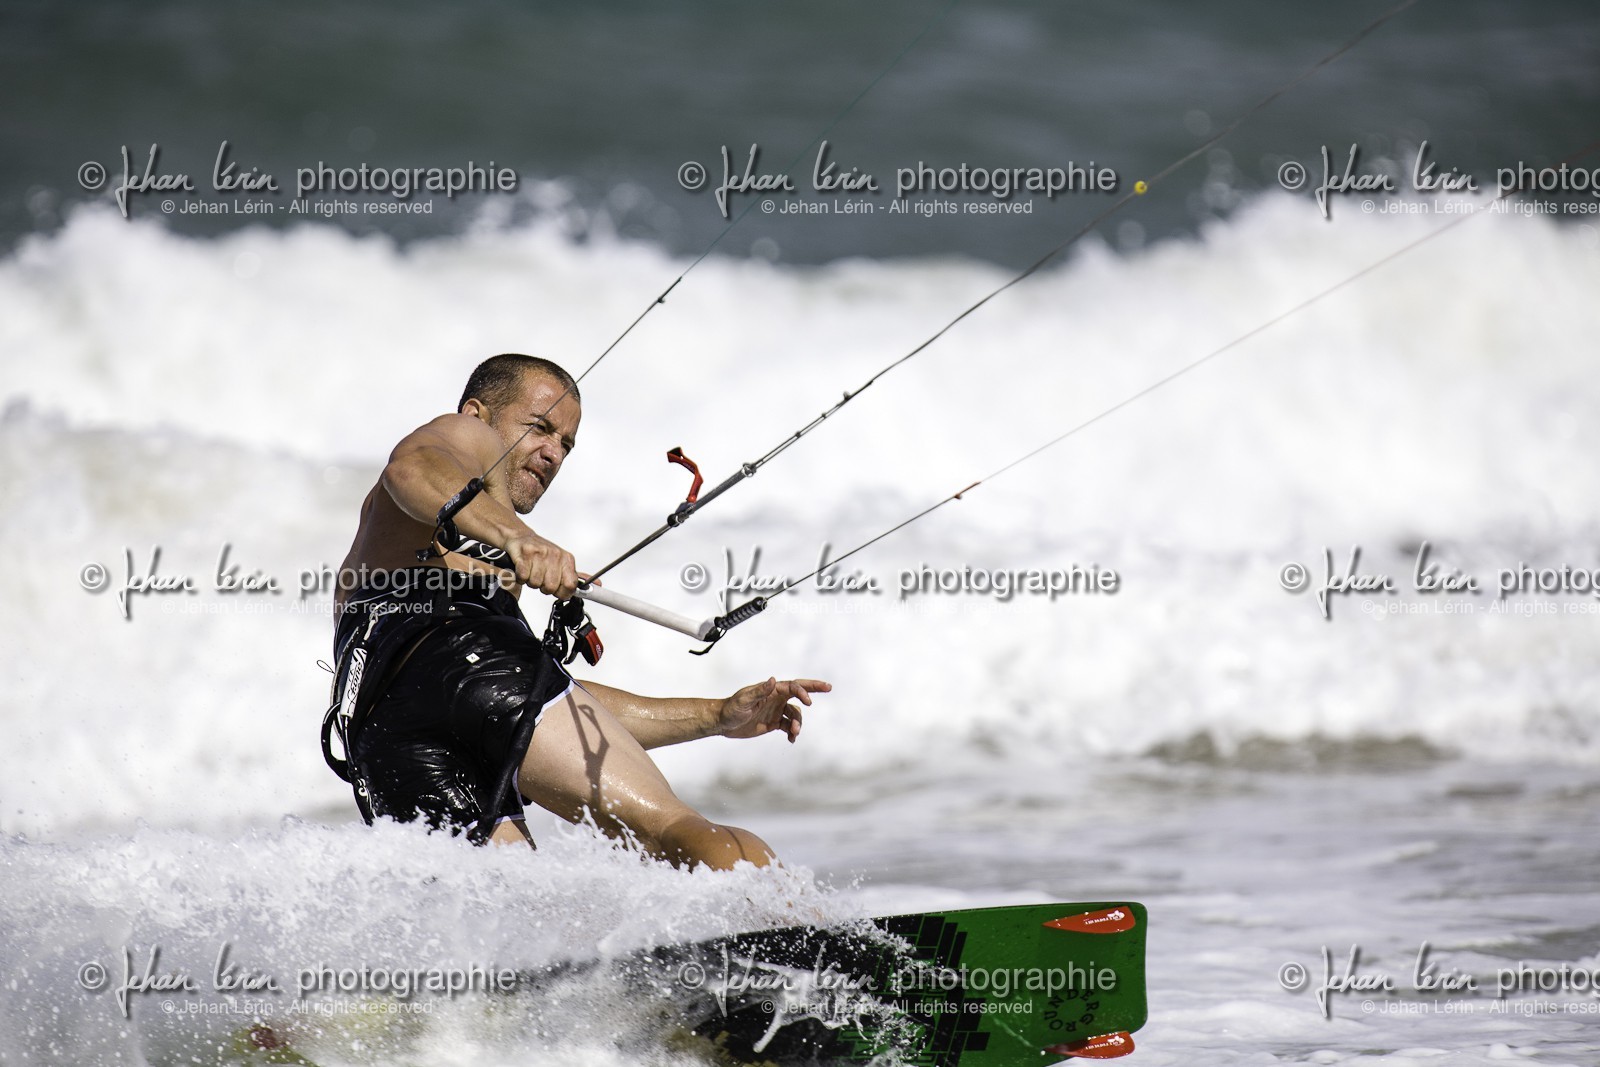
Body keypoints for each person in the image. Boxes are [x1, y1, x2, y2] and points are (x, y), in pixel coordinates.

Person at [324, 353, 828, 869]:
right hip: (441, 678)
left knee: (499, 910)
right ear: (477, 413)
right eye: (540, 427)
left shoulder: (468, 569)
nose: (553, 453)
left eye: (566, 444)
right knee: (669, 830)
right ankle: (798, 915)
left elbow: (530, 702)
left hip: (383, 730)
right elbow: (411, 468)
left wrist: (714, 715)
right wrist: (519, 538)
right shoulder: (463, 436)